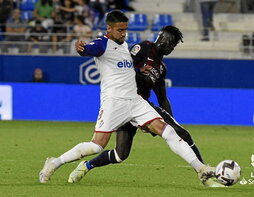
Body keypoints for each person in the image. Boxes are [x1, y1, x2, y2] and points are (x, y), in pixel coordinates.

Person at [39, 10, 223, 187]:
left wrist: (137, 71)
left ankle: (201, 169)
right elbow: (89, 49)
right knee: (96, 147)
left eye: (125, 30)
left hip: (135, 101)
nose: (124, 34)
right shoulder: (102, 44)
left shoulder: (124, 46)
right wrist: (82, 49)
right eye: (120, 30)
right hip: (114, 101)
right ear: (109, 29)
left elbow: (126, 69)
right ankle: (54, 163)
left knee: (168, 132)